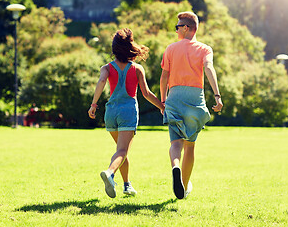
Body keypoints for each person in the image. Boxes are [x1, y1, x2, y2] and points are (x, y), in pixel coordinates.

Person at [88, 28, 164, 198]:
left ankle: (127, 185)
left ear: (114, 49)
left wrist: (93, 105)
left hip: (110, 112)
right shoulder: (137, 69)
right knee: (122, 151)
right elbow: (146, 94)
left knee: (121, 151)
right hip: (127, 112)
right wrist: (162, 106)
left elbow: (101, 82)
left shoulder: (106, 68)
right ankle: (109, 173)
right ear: (130, 48)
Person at [160, 12, 223, 199]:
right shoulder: (205, 49)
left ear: (186, 28)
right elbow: (209, 69)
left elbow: (164, 77)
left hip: (174, 97)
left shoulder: (170, 49)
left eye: (178, 26)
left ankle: (175, 167)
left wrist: (163, 101)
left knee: (175, 142)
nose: (176, 29)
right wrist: (217, 96)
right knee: (190, 145)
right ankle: (184, 186)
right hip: (195, 98)